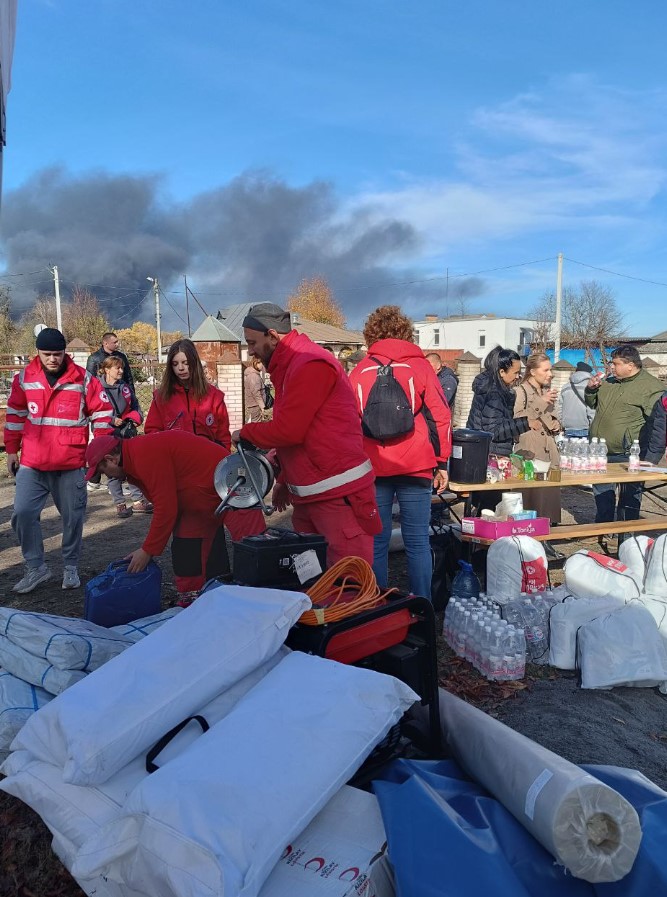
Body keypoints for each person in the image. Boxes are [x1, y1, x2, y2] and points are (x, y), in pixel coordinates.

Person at [231, 302, 381, 567]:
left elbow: (290, 430)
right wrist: (285, 479)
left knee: (348, 583)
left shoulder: (310, 364)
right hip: (315, 495)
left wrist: (246, 432)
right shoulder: (291, 366)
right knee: (313, 579)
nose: (250, 350)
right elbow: (308, 434)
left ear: (273, 335)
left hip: (338, 494)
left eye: (252, 342)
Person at [85, 431, 264, 602]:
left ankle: (265, 602)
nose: (107, 477)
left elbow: (166, 507)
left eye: (103, 471)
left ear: (111, 459)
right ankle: (191, 600)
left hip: (233, 487)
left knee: (254, 550)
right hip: (198, 501)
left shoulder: (143, 454)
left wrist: (147, 551)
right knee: (187, 551)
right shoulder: (134, 462)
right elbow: (167, 502)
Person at [349, 306, 452, 599]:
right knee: (417, 540)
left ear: (372, 335)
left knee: (377, 542)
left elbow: (348, 421)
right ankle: (424, 607)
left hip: (375, 468)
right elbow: (440, 416)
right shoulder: (419, 367)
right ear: (405, 333)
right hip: (416, 465)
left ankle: (378, 606)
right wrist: (441, 461)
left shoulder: (359, 371)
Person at [5, 328, 114, 593]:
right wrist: (11, 450)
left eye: (57, 353)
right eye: (47, 354)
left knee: (72, 518)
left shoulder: (83, 380)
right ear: (38, 353)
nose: (52, 359)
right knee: (22, 514)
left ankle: (70, 566)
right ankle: (36, 568)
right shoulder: (24, 379)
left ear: (65, 352)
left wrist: (99, 450)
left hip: (70, 463)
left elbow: (102, 413)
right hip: (33, 462)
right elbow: (16, 415)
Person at [585, 345, 665, 529]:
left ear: (630, 365)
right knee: (602, 494)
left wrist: (651, 458)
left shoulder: (652, 388)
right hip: (600, 451)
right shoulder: (610, 383)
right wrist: (591, 390)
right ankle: (603, 528)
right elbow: (592, 403)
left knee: (629, 497)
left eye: (615, 364)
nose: (611, 367)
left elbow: (658, 425)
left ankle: (627, 534)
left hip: (630, 453)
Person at [466, 348, 540, 513]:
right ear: (501, 371)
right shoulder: (494, 394)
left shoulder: (493, 389)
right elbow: (494, 431)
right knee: (489, 509)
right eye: (515, 372)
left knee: (484, 508)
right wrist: (526, 423)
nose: (518, 376)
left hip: (485, 455)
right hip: (491, 458)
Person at [144, 339, 231, 444]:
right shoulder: (161, 397)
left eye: (186, 363)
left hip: (207, 456)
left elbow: (223, 436)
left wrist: (220, 457)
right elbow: (152, 433)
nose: (180, 368)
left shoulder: (214, 396)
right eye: (175, 364)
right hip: (174, 457)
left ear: (194, 362)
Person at [98, 356, 152, 518]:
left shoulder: (125, 388)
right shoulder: (97, 387)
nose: (121, 371)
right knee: (113, 469)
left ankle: (137, 501)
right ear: (107, 369)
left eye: (121, 368)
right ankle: (120, 504)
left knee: (132, 465)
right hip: (107, 434)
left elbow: (136, 407)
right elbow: (92, 411)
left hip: (127, 432)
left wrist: (135, 418)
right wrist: (110, 419)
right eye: (117, 368)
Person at [514, 353, 562, 530]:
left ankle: (548, 535)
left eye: (551, 370)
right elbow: (516, 419)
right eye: (546, 370)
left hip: (549, 451)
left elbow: (550, 417)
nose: (550, 374)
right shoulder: (520, 392)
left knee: (550, 498)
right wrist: (540, 403)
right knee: (532, 499)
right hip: (530, 452)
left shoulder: (545, 391)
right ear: (533, 372)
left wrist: (557, 424)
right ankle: (531, 537)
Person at [558, 361, 595, 438]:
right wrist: (593, 425)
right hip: (585, 428)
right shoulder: (591, 387)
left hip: (567, 428)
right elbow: (591, 408)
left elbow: (559, 407)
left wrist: (561, 423)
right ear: (589, 373)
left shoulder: (565, 386)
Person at [244, 357, 269, 422]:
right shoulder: (254, 376)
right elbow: (256, 393)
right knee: (256, 423)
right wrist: (262, 406)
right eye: (261, 363)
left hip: (255, 404)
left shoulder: (254, 375)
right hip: (255, 405)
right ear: (256, 363)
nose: (262, 365)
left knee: (255, 423)